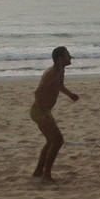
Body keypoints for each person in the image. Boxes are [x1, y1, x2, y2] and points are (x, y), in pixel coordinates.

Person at [30, 46, 79, 183]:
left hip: (45, 111)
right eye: (68, 55)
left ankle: (39, 171)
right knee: (58, 140)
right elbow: (38, 92)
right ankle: (46, 175)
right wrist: (44, 112)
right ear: (60, 58)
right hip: (39, 111)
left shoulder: (61, 70)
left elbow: (60, 86)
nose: (70, 57)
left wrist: (70, 95)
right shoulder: (51, 73)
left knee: (51, 141)